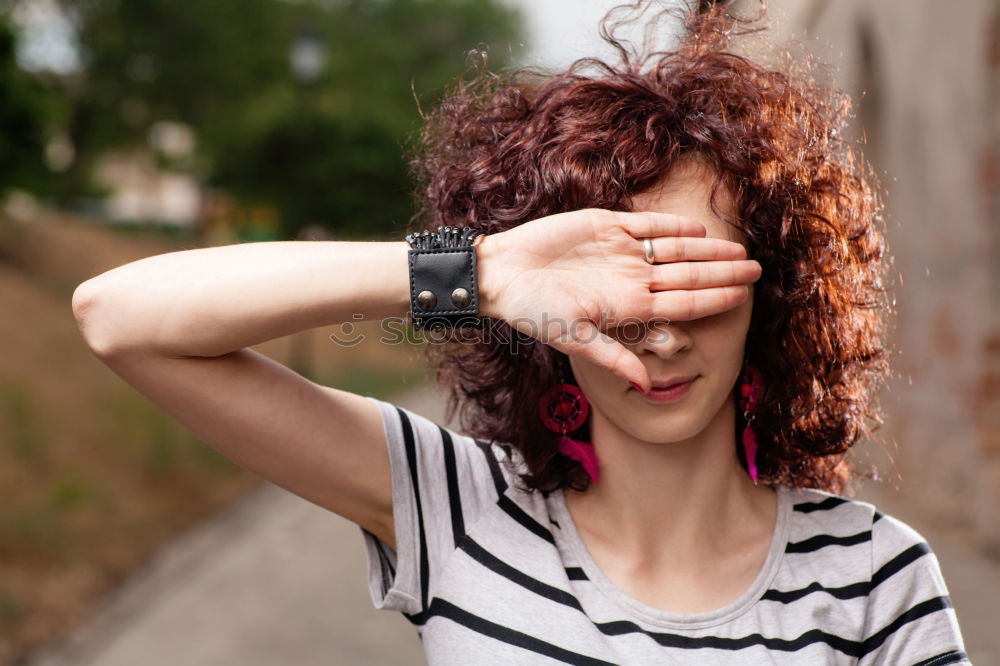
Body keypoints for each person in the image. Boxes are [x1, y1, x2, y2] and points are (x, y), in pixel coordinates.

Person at [72, 1, 971, 664]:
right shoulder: (456, 510)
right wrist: (478, 273)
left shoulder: (876, 579)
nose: (658, 339)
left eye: (694, 286)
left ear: (770, 298)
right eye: (613, 293)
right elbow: (119, 320)